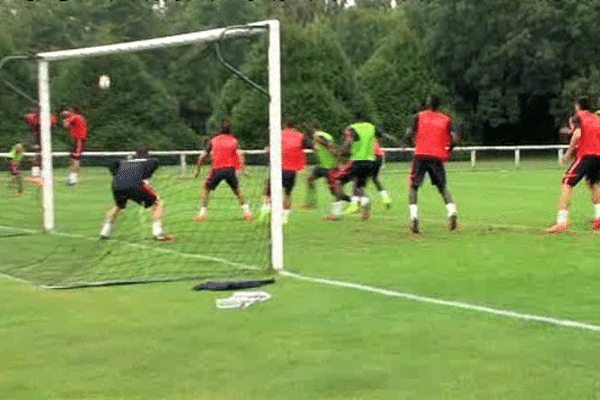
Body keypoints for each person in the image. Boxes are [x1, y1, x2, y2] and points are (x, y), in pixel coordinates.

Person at [404, 95, 459, 233]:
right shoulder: (446, 119)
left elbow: (408, 134)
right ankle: (452, 212)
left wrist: (413, 144)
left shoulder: (418, 116)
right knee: (442, 187)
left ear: (427, 104)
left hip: (421, 155)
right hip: (437, 156)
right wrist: (449, 150)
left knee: (414, 187)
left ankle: (414, 217)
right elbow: (455, 138)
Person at [99, 149, 175, 241]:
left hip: (117, 184)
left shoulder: (124, 162)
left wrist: (119, 176)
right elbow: (146, 178)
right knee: (157, 203)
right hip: (134, 184)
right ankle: (158, 233)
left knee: (118, 206)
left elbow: (112, 164)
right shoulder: (151, 161)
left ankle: (105, 232)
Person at [549, 96, 600, 232]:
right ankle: (599, 216)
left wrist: (567, 154)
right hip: (598, 157)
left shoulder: (577, 118)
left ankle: (562, 221)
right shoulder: (596, 119)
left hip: (585, 156)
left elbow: (577, 134)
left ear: (577, 106)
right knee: (592, 183)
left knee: (567, 183)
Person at [324, 110, 381, 221]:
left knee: (338, 182)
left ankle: (336, 214)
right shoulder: (370, 128)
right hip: (368, 161)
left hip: (355, 161)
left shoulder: (351, 128)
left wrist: (340, 153)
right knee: (357, 185)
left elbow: (348, 142)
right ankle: (365, 208)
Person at [192, 118, 252, 223]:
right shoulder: (234, 141)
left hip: (217, 169)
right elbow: (240, 155)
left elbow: (203, 156)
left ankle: (202, 214)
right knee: (237, 191)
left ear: (219, 131)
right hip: (230, 170)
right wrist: (243, 169)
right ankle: (247, 213)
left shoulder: (213, 140)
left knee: (206, 187)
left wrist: (197, 170)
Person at [258, 121, 313, 225]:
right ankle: (285, 217)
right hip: (291, 170)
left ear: (284, 126)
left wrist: (269, 157)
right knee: (287, 194)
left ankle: (266, 208)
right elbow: (313, 146)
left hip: (278, 169)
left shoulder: (278, 134)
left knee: (268, 189)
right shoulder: (300, 136)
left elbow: (269, 150)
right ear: (295, 127)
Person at [301, 126, 349, 209]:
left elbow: (328, 144)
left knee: (334, 192)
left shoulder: (318, 135)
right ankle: (311, 203)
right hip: (323, 165)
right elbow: (322, 146)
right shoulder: (323, 135)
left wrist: (333, 152)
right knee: (310, 179)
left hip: (329, 166)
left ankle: (353, 201)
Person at [22, 106, 57, 179]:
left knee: (41, 155)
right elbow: (25, 117)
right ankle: (36, 173)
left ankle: (42, 174)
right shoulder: (32, 117)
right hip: (36, 138)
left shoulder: (47, 117)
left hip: (44, 139)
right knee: (34, 154)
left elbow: (54, 125)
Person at [61, 106, 87, 186]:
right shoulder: (77, 117)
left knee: (75, 158)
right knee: (73, 159)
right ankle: (73, 177)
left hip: (79, 139)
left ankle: (73, 179)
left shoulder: (75, 117)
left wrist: (65, 116)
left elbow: (65, 125)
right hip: (76, 140)